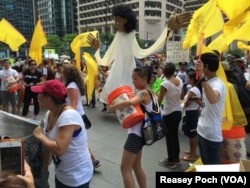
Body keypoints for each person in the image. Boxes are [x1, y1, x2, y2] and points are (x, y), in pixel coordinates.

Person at [87, 4, 191, 104]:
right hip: (119, 78)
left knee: (131, 106)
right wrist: (97, 50)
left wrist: (167, 30)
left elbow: (149, 50)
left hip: (129, 78)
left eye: (118, 20)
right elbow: (106, 59)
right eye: (115, 20)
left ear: (125, 20)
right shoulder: (118, 36)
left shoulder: (130, 36)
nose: (115, 23)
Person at [31, 80, 93, 187]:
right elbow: (48, 144)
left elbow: (59, 149)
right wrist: (44, 170)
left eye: (40, 94)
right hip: (62, 174)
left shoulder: (68, 116)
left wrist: (40, 136)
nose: (37, 97)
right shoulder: (50, 114)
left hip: (77, 177)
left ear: (48, 98)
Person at [108, 66, 153, 188]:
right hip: (141, 134)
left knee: (125, 169)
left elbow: (131, 103)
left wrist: (113, 107)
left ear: (144, 79)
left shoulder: (143, 93)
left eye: (135, 79)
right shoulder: (151, 92)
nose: (133, 81)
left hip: (136, 135)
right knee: (136, 166)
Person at [62, 63, 102, 169]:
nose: (61, 74)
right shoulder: (74, 84)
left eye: (63, 72)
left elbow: (74, 103)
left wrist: (68, 117)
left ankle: (92, 161)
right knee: (79, 140)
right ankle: (94, 161)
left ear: (67, 74)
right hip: (78, 115)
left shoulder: (71, 86)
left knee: (79, 141)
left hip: (76, 116)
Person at [195, 52, 226, 165]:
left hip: (211, 135)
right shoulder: (209, 82)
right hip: (202, 131)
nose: (197, 67)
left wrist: (202, 77)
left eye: (200, 64)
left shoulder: (218, 83)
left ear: (206, 66)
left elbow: (213, 99)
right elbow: (208, 102)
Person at [158, 62, 184, 169]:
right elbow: (182, 95)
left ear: (164, 71)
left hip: (168, 112)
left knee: (169, 137)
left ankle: (170, 160)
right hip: (178, 111)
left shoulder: (165, 84)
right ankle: (176, 158)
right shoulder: (180, 81)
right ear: (174, 71)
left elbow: (159, 101)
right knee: (175, 136)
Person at [181, 70, 202, 162]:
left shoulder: (193, 90)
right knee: (192, 134)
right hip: (192, 112)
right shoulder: (196, 88)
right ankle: (192, 151)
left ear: (193, 79)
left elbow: (187, 103)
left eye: (188, 78)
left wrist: (183, 105)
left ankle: (192, 155)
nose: (187, 79)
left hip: (190, 113)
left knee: (191, 135)